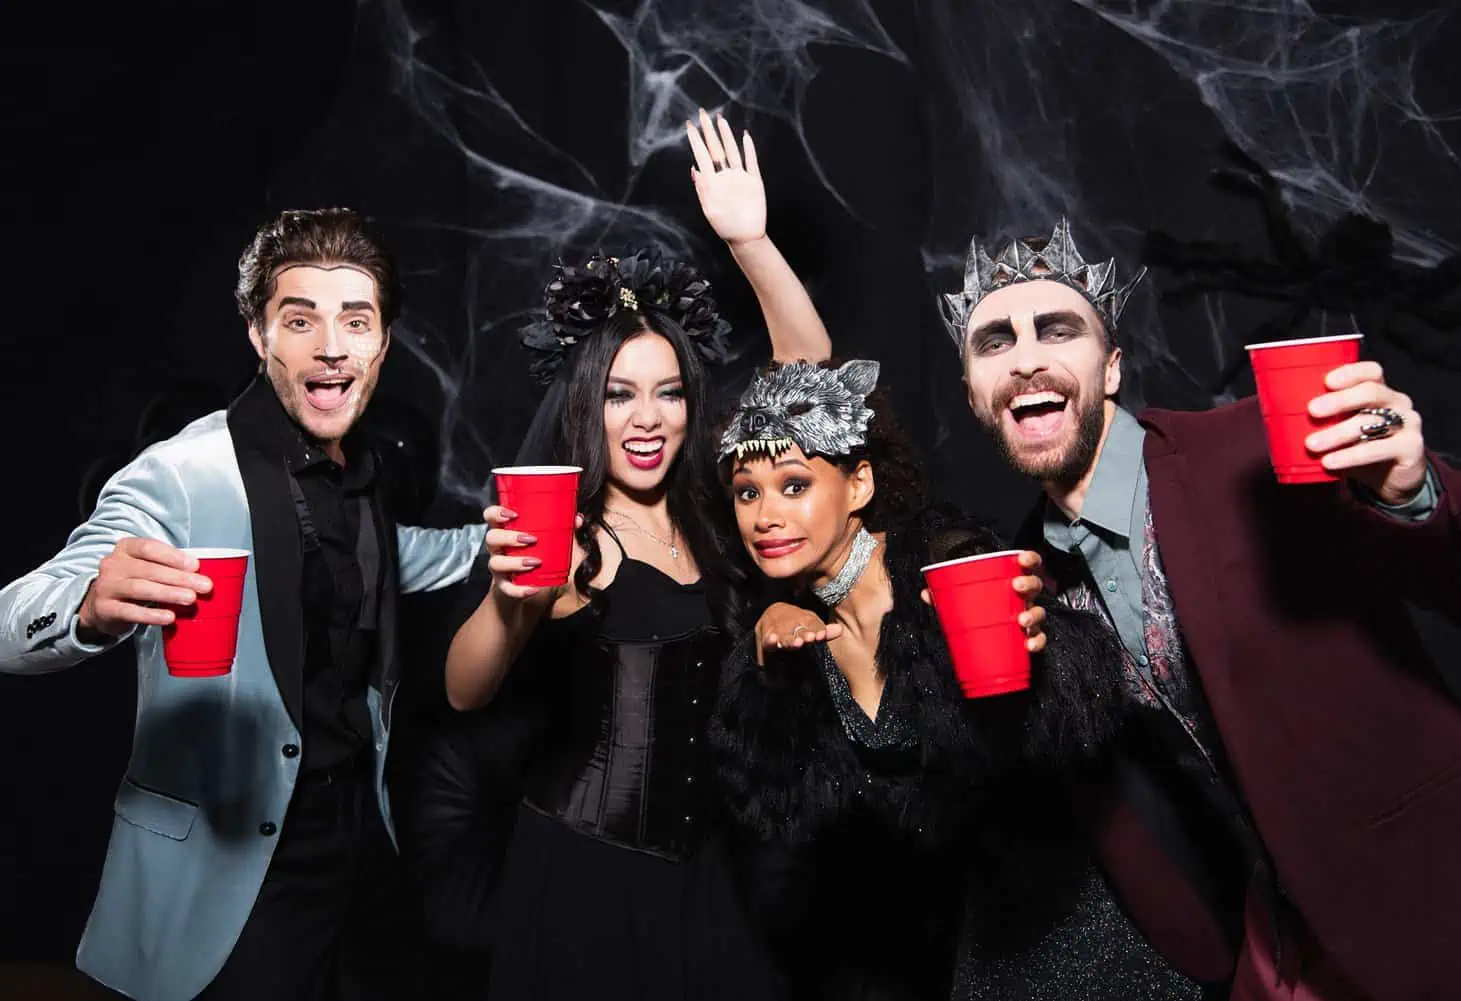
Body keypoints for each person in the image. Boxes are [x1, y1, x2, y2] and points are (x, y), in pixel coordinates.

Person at [938, 220, 1461, 999]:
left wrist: (1412, 493)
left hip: (1440, 884)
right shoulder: (1026, 575)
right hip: (1275, 937)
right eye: (994, 342)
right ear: (974, 393)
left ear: (1110, 369)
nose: (1026, 356)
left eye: (1057, 330)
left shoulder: (1252, 448)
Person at [0, 208, 485, 1001]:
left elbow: (410, 558)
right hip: (232, 866)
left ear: (382, 344)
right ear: (260, 338)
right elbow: (13, 619)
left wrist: (512, 547)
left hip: (364, 847)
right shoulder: (181, 474)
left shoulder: (362, 477)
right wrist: (87, 605)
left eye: (354, 321)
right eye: (301, 320)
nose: (331, 345)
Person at [429, 112, 832, 1000]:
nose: (647, 418)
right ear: (586, 405)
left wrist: (751, 241)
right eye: (619, 395)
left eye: (668, 393)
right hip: (584, 879)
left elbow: (808, 369)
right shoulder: (565, 536)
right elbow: (463, 689)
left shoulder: (714, 508)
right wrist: (511, 603)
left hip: (709, 876)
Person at [712, 359, 1199, 1000]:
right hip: (965, 941)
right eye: (748, 493)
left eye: (794, 485)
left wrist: (1035, 645)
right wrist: (769, 678)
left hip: (1079, 917)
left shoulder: (941, 561)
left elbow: (1072, 701)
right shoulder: (792, 639)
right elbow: (780, 811)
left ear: (858, 485)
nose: (766, 516)